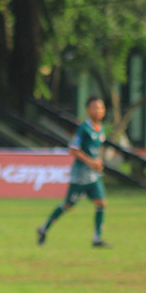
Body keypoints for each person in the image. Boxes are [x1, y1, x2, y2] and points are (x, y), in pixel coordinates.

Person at [36, 96, 110, 248]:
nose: (98, 111)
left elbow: (97, 149)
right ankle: (44, 229)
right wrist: (90, 162)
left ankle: (97, 238)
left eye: (101, 108)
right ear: (88, 110)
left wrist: (98, 161)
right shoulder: (83, 129)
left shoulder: (101, 129)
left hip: (93, 176)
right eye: (95, 107)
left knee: (101, 203)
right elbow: (73, 149)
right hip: (80, 176)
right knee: (68, 205)